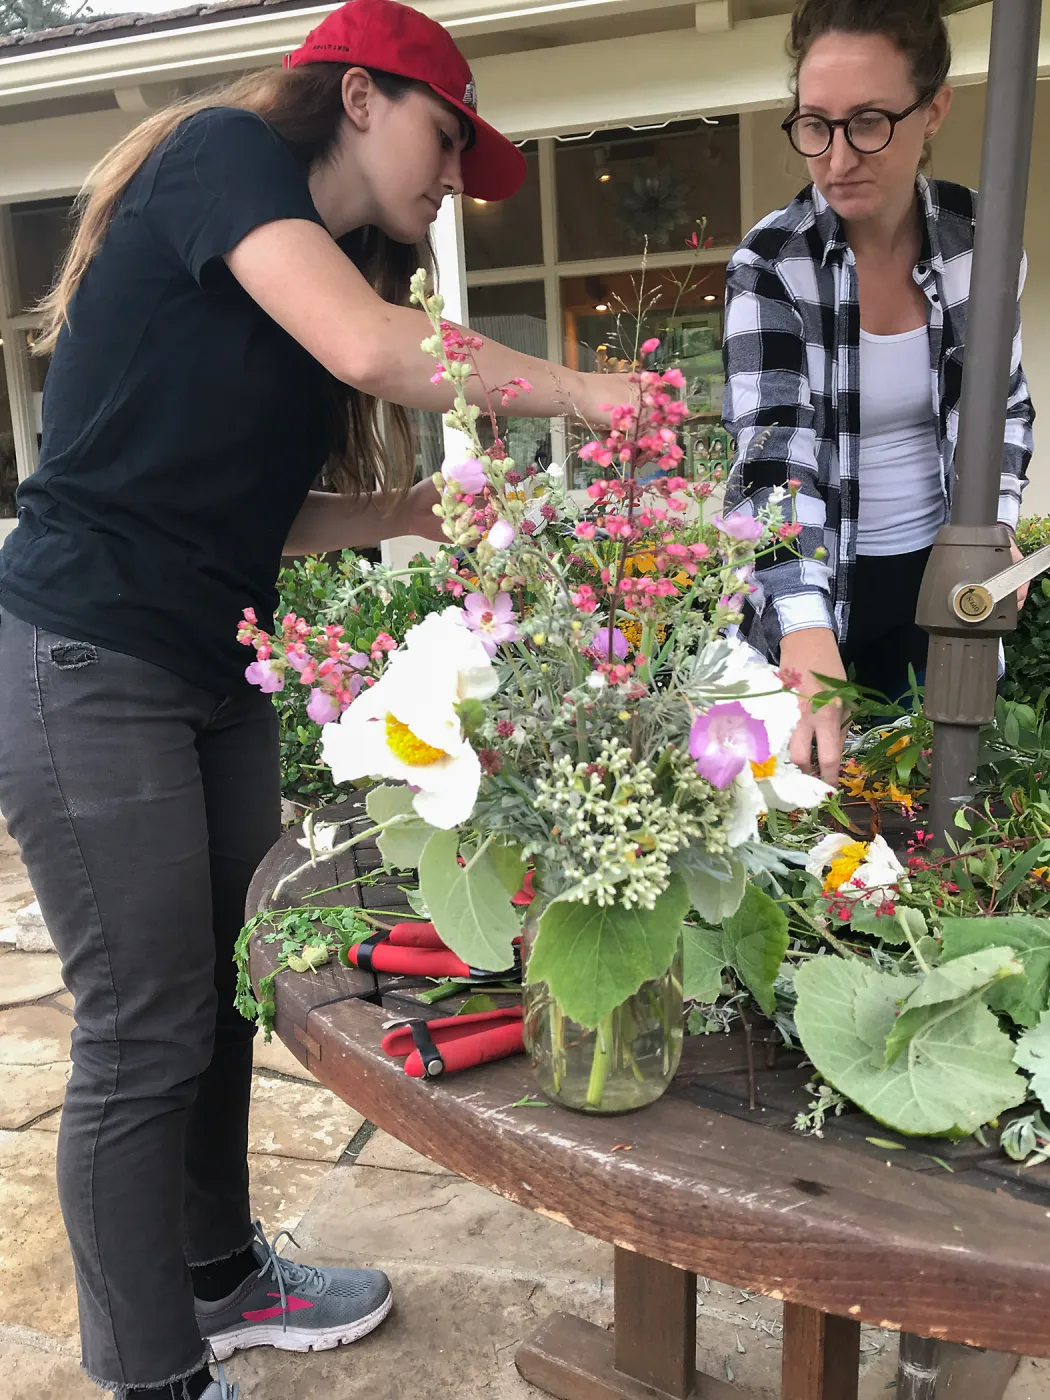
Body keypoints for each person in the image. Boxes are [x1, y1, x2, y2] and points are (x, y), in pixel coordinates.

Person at [0, 3, 617, 1397]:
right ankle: (148, 1372)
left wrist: (402, 507)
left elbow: (252, 516)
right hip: (86, 659)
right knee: (139, 1030)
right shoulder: (222, 160)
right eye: (447, 136)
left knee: (221, 997)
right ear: (357, 96)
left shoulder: (305, 278)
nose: (454, 179)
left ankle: (224, 1280)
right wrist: (580, 393)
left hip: (207, 667)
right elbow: (370, 349)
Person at [721, 0, 1034, 783]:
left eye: (867, 122)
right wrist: (801, 626)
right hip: (818, 582)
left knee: (935, 814)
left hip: (941, 580)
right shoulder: (769, 265)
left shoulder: (978, 238)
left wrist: (995, 526)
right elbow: (771, 460)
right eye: (815, 125)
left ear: (934, 110)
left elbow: (1003, 408)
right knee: (804, 816)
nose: (836, 156)